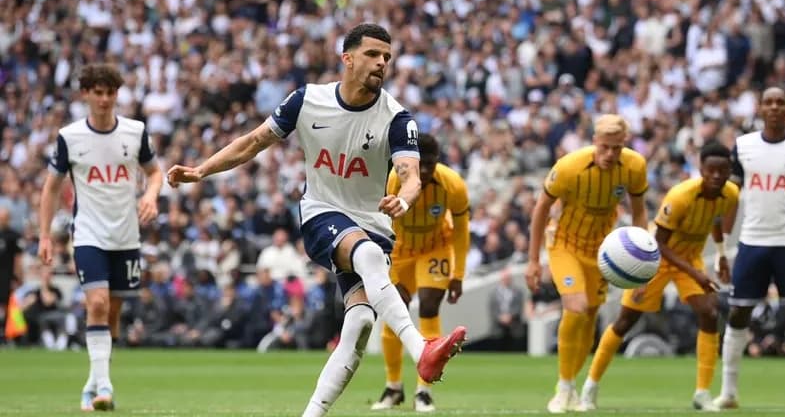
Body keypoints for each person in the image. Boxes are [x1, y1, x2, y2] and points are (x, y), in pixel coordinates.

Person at [165, 23, 466, 417]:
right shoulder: (307, 100)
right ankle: (421, 349)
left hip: (373, 226)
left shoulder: (396, 117)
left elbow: (410, 175)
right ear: (348, 58)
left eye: (387, 58)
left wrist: (405, 202)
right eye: (373, 54)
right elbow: (255, 141)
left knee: (358, 325)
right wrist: (202, 170)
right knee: (369, 257)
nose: (381, 63)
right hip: (323, 213)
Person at [38, 64, 163, 411]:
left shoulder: (135, 132)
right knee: (96, 303)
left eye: (110, 93)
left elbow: (155, 173)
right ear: (86, 94)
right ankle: (105, 385)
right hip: (89, 234)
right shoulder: (70, 137)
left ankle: (92, 385)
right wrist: (45, 235)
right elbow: (50, 190)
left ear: (116, 95)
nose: (105, 99)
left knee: (113, 315)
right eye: (98, 92)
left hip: (126, 235)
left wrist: (151, 196)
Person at [578, 142, 738, 412]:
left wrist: (721, 255)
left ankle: (702, 393)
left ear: (729, 171)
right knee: (626, 320)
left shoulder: (731, 193)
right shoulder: (680, 196)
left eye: (722, 171)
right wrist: (696, 274)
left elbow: (716, 220)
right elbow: (660, 243)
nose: (716, 176)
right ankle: (590, 386)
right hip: (656, 260)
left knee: (709, 313)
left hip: (690, 259)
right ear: (700, 169)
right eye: (710, 170)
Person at [524, 114, 649, 414]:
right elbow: (541, 209)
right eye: (605, 147)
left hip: (602, 251)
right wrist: (533, 261)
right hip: (564, 243)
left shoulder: (634, 167)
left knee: (590, 316)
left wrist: (642, 266)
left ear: (624, 145)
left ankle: (573, 387)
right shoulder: (569, 167)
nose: (610, 154)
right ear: (594, 141)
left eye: (616, 148)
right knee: (576, 307)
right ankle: (563, 387)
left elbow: (639, 213)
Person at [714, 87, 785, 411]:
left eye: (781, 102)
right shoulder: (743, 147)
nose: (775, 107)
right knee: (738, 313)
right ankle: (729, 391)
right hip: (752, 242)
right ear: (760, 107)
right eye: (769, 102)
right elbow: (730, 199)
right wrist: (722, 249)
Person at [371, 133, 470, 412]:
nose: (425, 171)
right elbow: (378, 224)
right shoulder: (391, 180)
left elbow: (462, 231)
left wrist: (458, 274)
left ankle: (423, 391)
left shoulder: (453, 185)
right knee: (394, 312)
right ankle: (393, 387)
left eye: (431, 164)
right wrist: (382, 262)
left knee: (428, 306)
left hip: (435, 249)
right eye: (420, 164)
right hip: (399, 251)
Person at [0, 207, 23, 345]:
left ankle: (10, 335)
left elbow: (18, 258)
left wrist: (18, 276)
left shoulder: (13, 236)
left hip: (7, 276)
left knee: (8, 305)